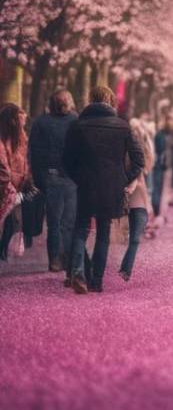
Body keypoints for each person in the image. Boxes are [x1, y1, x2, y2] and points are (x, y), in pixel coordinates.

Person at [62, 86, 145, 294]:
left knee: (81, 228)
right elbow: (139, 159)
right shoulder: (122, 126)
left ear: (90, 99)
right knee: (103, 233)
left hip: (86, 184)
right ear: (110, 101)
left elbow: (66, 160)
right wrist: (124, 178)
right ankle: (97, 281)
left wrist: (78, 178)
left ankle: (78, 272)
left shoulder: (77, 126)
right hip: (112, 186)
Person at [28, 90, 77, 271]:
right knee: (65, 222)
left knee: (55, 222)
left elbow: (34, 153)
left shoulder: (41, 122)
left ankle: (56, 259)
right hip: (68, 178)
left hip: (54, 177)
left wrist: (39, 179)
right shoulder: (75, 121)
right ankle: (61, 258)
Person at [120, 119, 154, 282]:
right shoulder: (125, 156)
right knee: (133, 238)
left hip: (135, 200)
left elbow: (142, 175)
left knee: (134, 238)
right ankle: (125, 269)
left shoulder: (136, 156)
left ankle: (126, 269)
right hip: (131, 200)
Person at [0, 103, 34, 262]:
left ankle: (2, 251)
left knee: (12, 222)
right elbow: (4, 167)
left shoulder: (21, 136)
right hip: (7, 187)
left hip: (15, 186)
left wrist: (26, 177)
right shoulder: (3, 139)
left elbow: (24, 159)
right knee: (9, 221)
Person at [151, 116, 173, 218]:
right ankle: (158, 210)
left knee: (164, 190)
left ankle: (161, 211)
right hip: (161, 165)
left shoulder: (172, 135)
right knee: (158, 188)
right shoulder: (161, 135)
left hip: (168, 165)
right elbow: (157, 150)